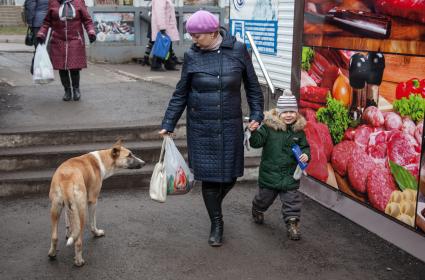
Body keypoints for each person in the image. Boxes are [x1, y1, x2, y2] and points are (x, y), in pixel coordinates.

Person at [159, 10, 264, 247]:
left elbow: (253, 87)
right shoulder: (192, 56)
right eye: (191, 35)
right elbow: (181, 93)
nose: (193, 39)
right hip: (201, 128)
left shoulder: (238, 50)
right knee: (208, 179)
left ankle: (215, 205)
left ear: (213, 32)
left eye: (197, 35)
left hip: (229, 125)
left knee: (230, 177)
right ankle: (217, 223)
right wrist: (168, 123)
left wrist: (257, 113)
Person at [248, 89, 310, 241]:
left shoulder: (299, 132)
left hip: (289, 176)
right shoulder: (269, 128)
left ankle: (292, 225)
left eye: (292, 112)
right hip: (270, 174)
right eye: (285, 112)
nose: (289, 115)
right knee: (264, 199)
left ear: (296, 113)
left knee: (292, 202)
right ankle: (257, 208)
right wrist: (253, 133)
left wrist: (306, 155)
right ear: (278, 113)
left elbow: (305, 147)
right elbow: (256, 143)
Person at [36, 0, 96, 101]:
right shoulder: (53, 2)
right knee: (62, 68)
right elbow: (47, 22)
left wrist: (91, 32)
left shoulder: (78, 2)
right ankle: (67, 91)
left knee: (74, 67)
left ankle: (76, 89)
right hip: (58, 40)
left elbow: (87, 20)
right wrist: (41, 33)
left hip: (75, 39)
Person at [150, 0, 180, 71]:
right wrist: (162, 28)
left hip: (167, 26)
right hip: (164, 26)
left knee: (168, 46)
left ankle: (169, 64)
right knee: (161, 46)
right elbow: (159, 13)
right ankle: (156, 65)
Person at [24, 0, 49, 74]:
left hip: (38, 22)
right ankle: (42, 67)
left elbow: (30, 7)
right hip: (48, 22)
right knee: (45, 45)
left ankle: (36, 67)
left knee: (38, 46)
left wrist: (30, 23)